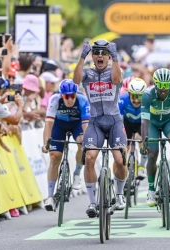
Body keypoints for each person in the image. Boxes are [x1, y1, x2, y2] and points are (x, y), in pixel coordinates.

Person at [73, 39, 128, 218]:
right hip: (95, 121)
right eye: (96, 53)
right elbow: (75, 80)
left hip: (114, 121)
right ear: (92, 56)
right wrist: (82, 56)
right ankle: (93, 201)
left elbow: (117, 79)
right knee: (89, 158)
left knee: (120, 160)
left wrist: (115, 57)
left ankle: (119, 195)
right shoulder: (88, 73)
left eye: (104, 53)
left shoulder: (114, 69)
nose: (100, 56)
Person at [140, 68, 170, 207]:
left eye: (167, 85)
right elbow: (144, 122)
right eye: (160, 85)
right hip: (152, 123)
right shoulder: (147, 95)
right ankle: (151, 190)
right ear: (155, 84)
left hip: (168, 121)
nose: (164, 89)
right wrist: (144, 143)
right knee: (153, 153)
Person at [42, 79, 90, 211]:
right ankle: (50, 196)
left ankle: (76, 174)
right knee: (54, 157)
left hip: (76, 125)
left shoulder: (82, 100)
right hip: (59, 125)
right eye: (66, 96)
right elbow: (48, 124)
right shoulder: (55, 99)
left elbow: (86, 126)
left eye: (72, 96)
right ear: (62, 95)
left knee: (82, 141)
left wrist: (87, 143)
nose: (69, 99)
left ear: (76, 94)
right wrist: (46, 143)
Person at [118, 78, 147, 180]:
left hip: (141, 123)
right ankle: (123, 170)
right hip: (127, 124)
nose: (136, 100)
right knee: (123, 146)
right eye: (134, 96)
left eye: (140, 97)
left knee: (145, 141)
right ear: (129, 94)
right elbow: (118, 120)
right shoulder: (123, 99)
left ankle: (141, 166)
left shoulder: (148, 100)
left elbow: (150, 121)